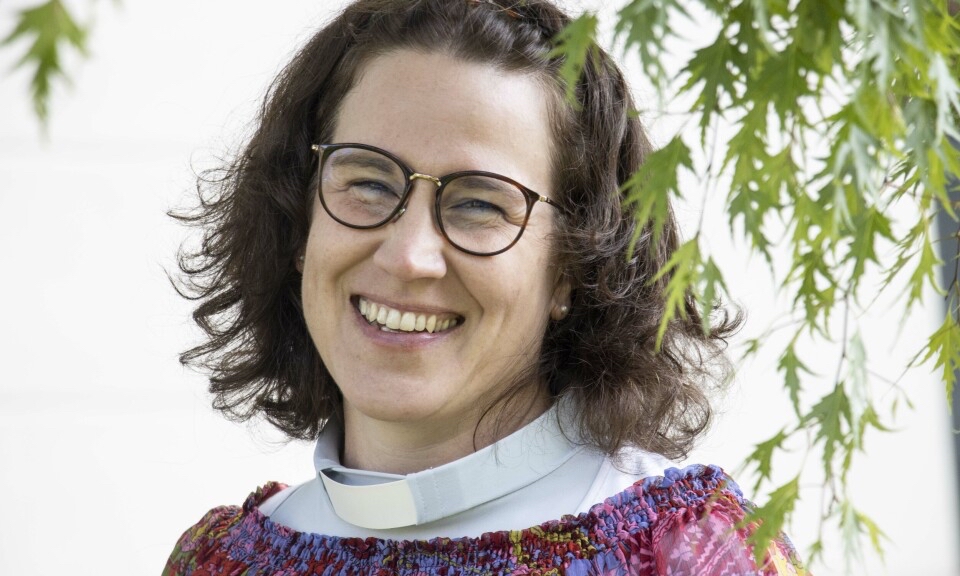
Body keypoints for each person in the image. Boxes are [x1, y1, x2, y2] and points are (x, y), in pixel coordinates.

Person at [164, 0, 809, 574]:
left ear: (574, 265)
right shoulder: (220, 563)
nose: (409, 256)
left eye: (478, 204)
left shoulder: (694, 554)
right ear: (299, 221)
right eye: (368, 183)